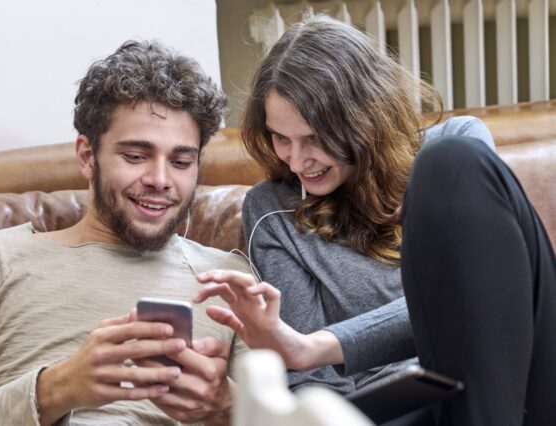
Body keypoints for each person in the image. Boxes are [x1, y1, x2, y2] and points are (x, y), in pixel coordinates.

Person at [193, 14, 556, 426]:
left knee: (451, 160)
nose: (296, 160)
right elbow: (315, 387)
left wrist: (321, 345)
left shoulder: (458, 152)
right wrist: (308, 358)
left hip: (528, 383)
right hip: (413, 414)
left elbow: (485, 300)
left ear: (363, 118)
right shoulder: (273, 209)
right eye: (281, 137)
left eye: (314, 138)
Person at [0, 40, 251, 426]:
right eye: (135, 157)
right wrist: (57, 389)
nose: (161, 180)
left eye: (182, 161)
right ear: (87, 156)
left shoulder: (231, 280)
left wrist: (226, 406)